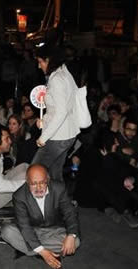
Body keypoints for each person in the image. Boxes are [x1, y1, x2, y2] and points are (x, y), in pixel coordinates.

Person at [1, 164, 80, 269]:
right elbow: (24, 226)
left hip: (55, 230)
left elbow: (70, 213)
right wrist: (43, 252)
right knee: (7, 232)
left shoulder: (59, 188)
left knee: (75, 241)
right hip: (32, 230)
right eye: (33, 184)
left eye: (42, 183)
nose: (38, 188)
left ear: (48, 179)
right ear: (27, 181)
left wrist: (71, 236)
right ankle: (41, 250)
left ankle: (31, 248)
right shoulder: (19, 196)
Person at [32, 45, 82, 181]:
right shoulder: (64, 73)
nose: (38, 66)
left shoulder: (57, 79)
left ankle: (29, 202)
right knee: (55, 174)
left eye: (40, 61)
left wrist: (43, 138)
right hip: (68, 134)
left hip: (59, 136)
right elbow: (62, 107)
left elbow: (61, 112)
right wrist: (45, 120)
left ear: (48, 60)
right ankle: (61, 202)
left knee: (34, 172)